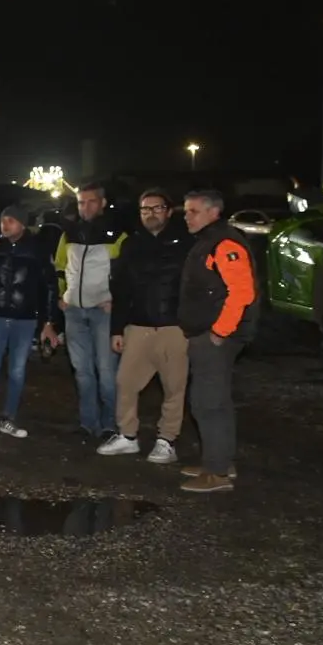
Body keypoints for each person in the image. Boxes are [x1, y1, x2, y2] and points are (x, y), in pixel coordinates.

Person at [98, 189, 193, 464]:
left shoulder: (186, 243)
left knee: (174, 387)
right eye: (145, 209)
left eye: (156, 208)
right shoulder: (132, 245)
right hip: (138, 327)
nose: (150, 213)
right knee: (125, 382)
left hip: (173, 328)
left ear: (169, 210)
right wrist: (117, 329)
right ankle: (127, 436)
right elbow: (122, 289)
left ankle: (167, 440)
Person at [177, 189, 257, 494]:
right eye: (185, 211)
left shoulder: (224, 243)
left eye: (193, 211)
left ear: (214, 213)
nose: (187, 216)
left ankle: (217, 473)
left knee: (207, 402)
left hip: (216, 337)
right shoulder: (209, 241)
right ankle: (219, 460)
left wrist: (220, 332)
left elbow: (242, 292)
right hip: (207, 333)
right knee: (215, 401)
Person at [0, 206, 60, 441]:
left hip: (24, 318)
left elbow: (49, 286)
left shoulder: (37, 249)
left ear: (23, 224)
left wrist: (48, 321)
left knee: (17, 370)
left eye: (11, 221)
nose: (5, 225)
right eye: (3, 220)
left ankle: (9, 418)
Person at [55, 182, 126, 441]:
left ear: (103, 202)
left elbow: (126, 275)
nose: (85, 207)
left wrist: (115, 301)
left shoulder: (118, 235)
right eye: (81, 202)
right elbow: (60, 267)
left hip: (103, 312)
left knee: (107, 372)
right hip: (74, 311)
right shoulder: (69, 232)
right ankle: (88, 424)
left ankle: (110, 425)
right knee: (82, 372)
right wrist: (63, 296)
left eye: (91, 201)